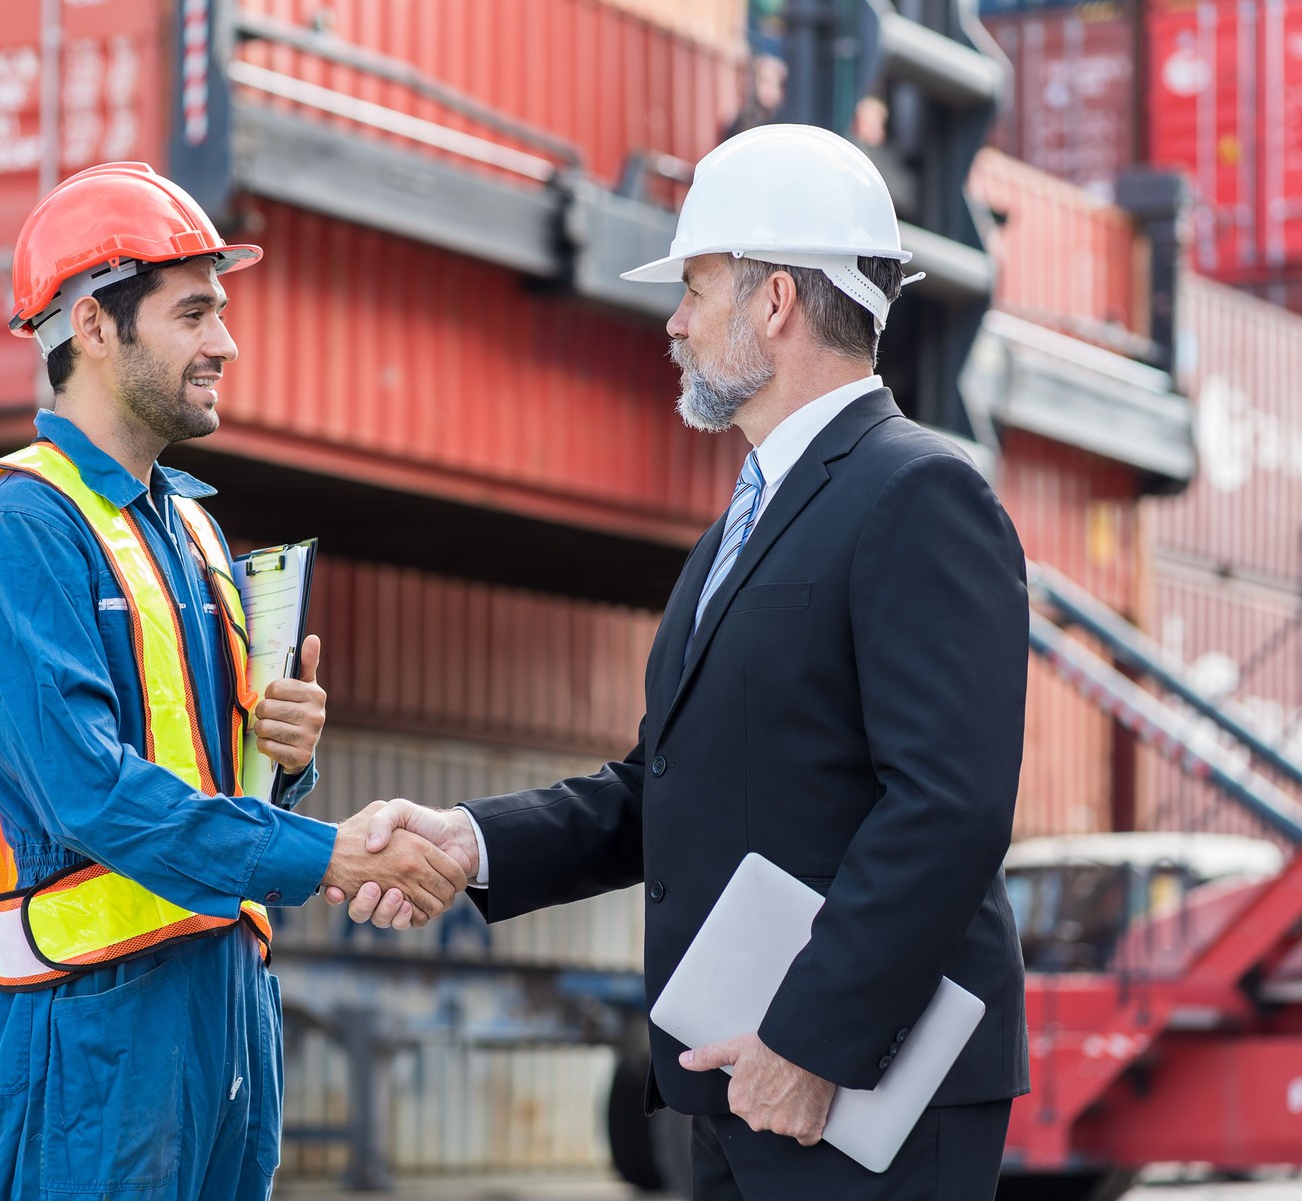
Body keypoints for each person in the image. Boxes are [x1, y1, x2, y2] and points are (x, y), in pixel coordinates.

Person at [338, 126, 1031, 1199]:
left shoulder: (919, 493)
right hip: (737, 1083)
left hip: (856, 1090)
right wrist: (467, 841)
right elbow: (656, 784)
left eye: (696, 286)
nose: (672, 319)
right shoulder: (744, 526)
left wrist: (813, 1040)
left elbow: (949, 803)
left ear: (776, 303)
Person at [0, 162, 468, 1201]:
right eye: (194, 312)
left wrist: (285, 755)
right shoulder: (15, 532)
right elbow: (86, 791)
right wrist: (330, 853)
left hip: (225, 1008)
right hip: (95, 1027)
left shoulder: (195, 528)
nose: (226, 343)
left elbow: (216, 778)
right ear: (92, 323)